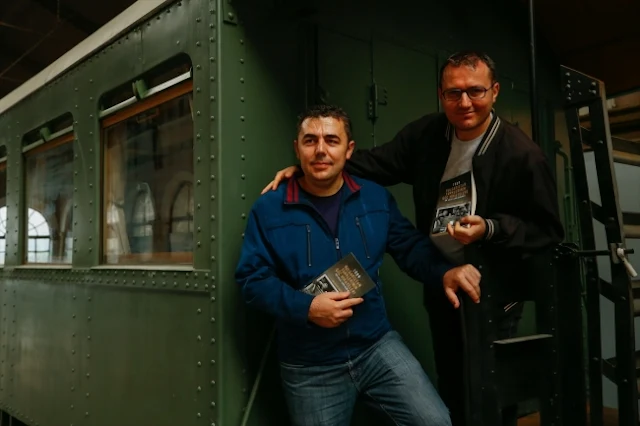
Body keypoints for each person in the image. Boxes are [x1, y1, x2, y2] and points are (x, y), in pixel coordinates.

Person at [261, 51, 565, 426]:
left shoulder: (523, 154)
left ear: (495, 91)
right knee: (452, 381)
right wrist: (313, 168)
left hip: (492, 289)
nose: (464, 102)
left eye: (475, 91)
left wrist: (490, 228)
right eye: (453, 93)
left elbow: (548, 230)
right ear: (441, 94)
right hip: (443, 279)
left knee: (490, 390)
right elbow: (375, 163)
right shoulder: (428, 135)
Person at [236, 104, 482, 426]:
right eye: (310, 141)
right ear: (297, 149)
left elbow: (409, 247)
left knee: (435, 422)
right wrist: (307, 308)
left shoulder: (375, 198)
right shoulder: (269, 208)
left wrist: (444, 272)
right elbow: (252, 280)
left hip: (375, 345)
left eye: (331, 140)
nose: (320, 150)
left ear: (349, 149)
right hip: (311, 363)